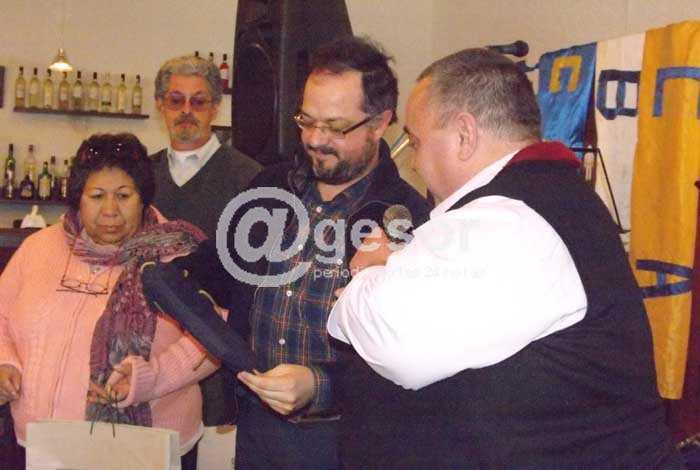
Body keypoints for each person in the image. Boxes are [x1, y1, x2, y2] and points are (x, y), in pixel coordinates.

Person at [327, 48, 682, 468]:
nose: (416, 164)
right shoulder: (538, 200)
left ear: (464, 135)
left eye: (416, 143)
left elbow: (394, 341)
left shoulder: (510, 219)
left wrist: (370, 270)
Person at [218, 36, 431, 468]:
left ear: (379, 123)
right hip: (257, 428)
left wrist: (321, 384)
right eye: (307, 121)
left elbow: (415, 353)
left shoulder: (409, 219)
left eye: (335, 127)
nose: (315, 139)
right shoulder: (268, 188)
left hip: (350, 440)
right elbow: (226, 276)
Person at [0, 133, 219, 470]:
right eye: (97, 196)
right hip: (39, 445)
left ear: (143, 198)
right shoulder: (38, 248)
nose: (110, 210)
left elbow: (216, 336)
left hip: (146, 449)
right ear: (78, 198)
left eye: (123, 196)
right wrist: (6, 362)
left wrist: (151, 377)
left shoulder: (178, 255)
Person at [151, 54, 261, 468]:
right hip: (149, 357)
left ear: (215, 107)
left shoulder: (250, 178)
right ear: (160, 104)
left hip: (219, 361)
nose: (186, 111)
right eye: (175, 100)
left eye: (198, 101)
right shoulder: (139, 177)